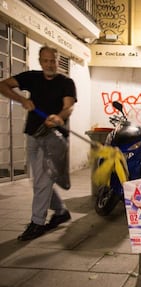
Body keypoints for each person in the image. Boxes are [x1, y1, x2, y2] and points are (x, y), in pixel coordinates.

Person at [0, 46, 77, 241]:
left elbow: (68, 107)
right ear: (40, 61)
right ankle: (60, 212)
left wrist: (58, 117)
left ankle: (37, 222)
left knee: (43, 181)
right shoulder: (31, 77)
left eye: (53, 61)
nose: (50, 64)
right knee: (40, 182)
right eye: (46, 61)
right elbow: (3, 85)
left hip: (54, 138)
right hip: (33, 134)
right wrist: (21, 100)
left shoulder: (66, 82)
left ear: (58, 62)